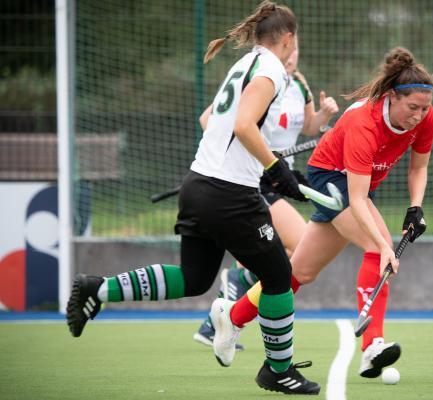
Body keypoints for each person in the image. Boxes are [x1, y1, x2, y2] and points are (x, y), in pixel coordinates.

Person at [65, 1, 321, 395]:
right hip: (230, 193)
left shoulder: (245, 64)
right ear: (288, 38)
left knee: (193, 278)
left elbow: (222, 125)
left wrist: (274, 169)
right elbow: (244, 126)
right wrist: (276, 170)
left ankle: (96, 287)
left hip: (199, 185)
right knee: (278, 276)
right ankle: (278, 369)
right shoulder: (271, 68)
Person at [212, 46, 433, 379]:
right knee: (377, 248)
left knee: (298, 273)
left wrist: (415, 207)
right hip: (330, 176)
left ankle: (233, 316)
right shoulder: (365, 123)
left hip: (359, 185)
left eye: (424, 108)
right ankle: (372, 346)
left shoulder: (425, 118)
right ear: (391, 97)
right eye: (412, 108)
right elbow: (357, 201)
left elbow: (418, 168)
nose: (418, 116)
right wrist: (386, 245)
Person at [193, 39, 339, 349]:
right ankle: (237, 289)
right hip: (255, 177)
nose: (293, 53)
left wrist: (324, 115)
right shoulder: (261, 78)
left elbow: (309, 127)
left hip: (279, 179)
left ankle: (217, 319)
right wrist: (252, 151)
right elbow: (209, 120)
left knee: (281, 257)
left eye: (298, 47)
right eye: (290, 46)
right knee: (299, 249)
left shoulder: (298, 85)